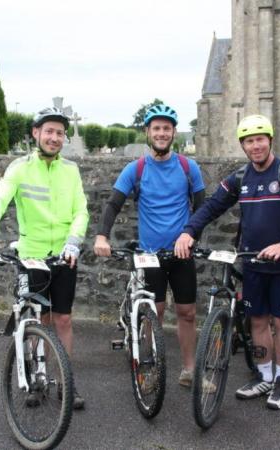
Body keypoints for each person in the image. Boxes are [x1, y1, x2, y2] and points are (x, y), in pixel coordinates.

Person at [175, 114, 280, 410]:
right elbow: (214, 206)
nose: (255, 146)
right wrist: (189, 231)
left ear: (269, 140)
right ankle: (264, 375)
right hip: (252, 261)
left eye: (260, 139)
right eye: (249, 141)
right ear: (243, 146)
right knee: (257, 320)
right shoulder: (240, 178)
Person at [0, 107, 89, 409]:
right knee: (37, 319)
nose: (54, 137)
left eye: (59, 133)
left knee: (62, 319)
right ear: (35, 133)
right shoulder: (20, 168)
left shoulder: (71, 170)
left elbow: (81, 210)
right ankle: (36, 379)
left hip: (64, 257)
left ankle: (66, 382)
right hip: (31, 256)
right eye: (48, 131)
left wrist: (74, 242)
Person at [93, 104, 206, 387]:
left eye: (166, 128)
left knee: (188, 313)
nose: (161, 133)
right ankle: (151, 369)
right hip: (150, 256)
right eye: (156, 128)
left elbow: (202, 209)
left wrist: (191, 237)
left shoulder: (187, 166)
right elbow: (113, 204)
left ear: (174, 133)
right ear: (148, 132)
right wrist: (102, 236)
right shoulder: (136, 169)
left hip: (181, 254)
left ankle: (190, 371)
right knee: (153, 314)